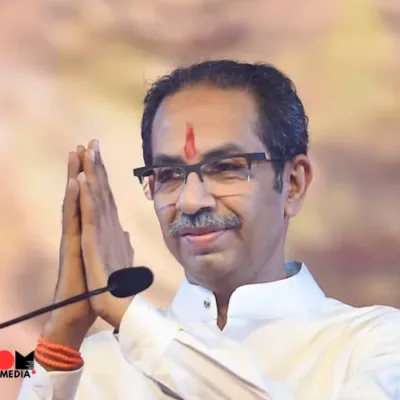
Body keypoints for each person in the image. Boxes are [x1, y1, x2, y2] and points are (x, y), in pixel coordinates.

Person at [18, 60, 400, 399]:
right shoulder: (92, 366)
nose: (190, 201)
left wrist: (128, 314)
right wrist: (62, 337)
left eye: (227, 167)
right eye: (168, 175)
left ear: (294, 184)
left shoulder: (375, 344)